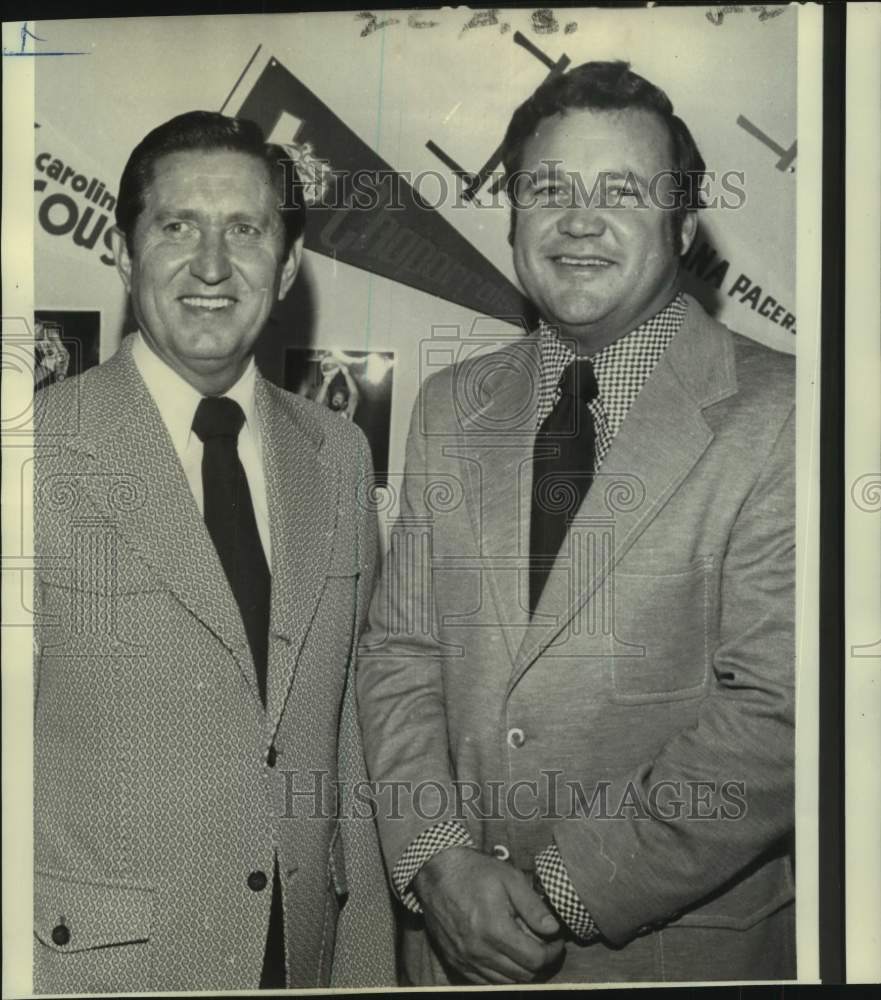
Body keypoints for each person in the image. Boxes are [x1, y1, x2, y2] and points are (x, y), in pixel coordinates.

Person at [357, 62, 795, 985]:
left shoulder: (787, 414)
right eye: (547, 189)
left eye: (622, 192)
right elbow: (400, 653)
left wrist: (553, 889)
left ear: (682, 226)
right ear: (513, 218)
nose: (579, 220)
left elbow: (778, 714)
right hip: (449, 950)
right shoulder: (449, 405)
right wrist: (438, 861)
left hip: (666, 956)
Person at [32, 111, 395, 993]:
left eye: (245, 229)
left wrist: (367, 970)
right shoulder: (32, 450)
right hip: (96, 972)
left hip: (301, 958)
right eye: (176, 226)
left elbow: (350, 737)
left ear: (289, 262)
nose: (209, 264)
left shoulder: (338, 454)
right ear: (122, 251)